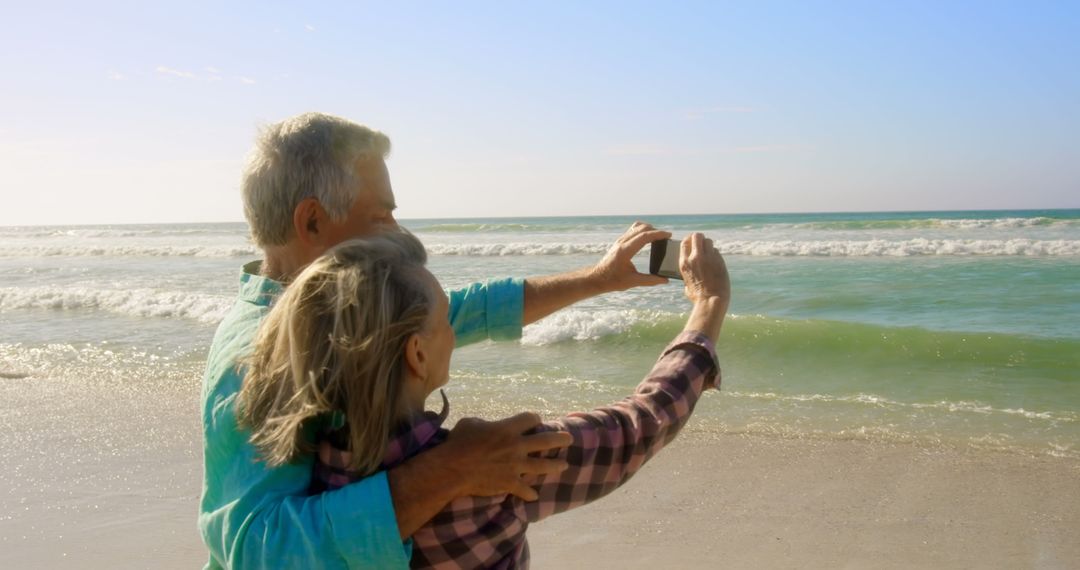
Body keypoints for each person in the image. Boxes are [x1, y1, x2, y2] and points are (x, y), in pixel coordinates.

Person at [200, 112, 673, 569]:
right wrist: (452, 468)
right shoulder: (258, 357)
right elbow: (258, 548)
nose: (398, 230)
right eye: (381, 213)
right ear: (314, 223)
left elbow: (472, 309)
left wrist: (598, 278)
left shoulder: (348, 309)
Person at [239, 230, 729, 569]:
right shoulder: (491, 473)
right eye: (446, 317)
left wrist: (599, 277)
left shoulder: (307, 462)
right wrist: (708, 307)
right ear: (416, 354)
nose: (453, 330)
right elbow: (636, 428)